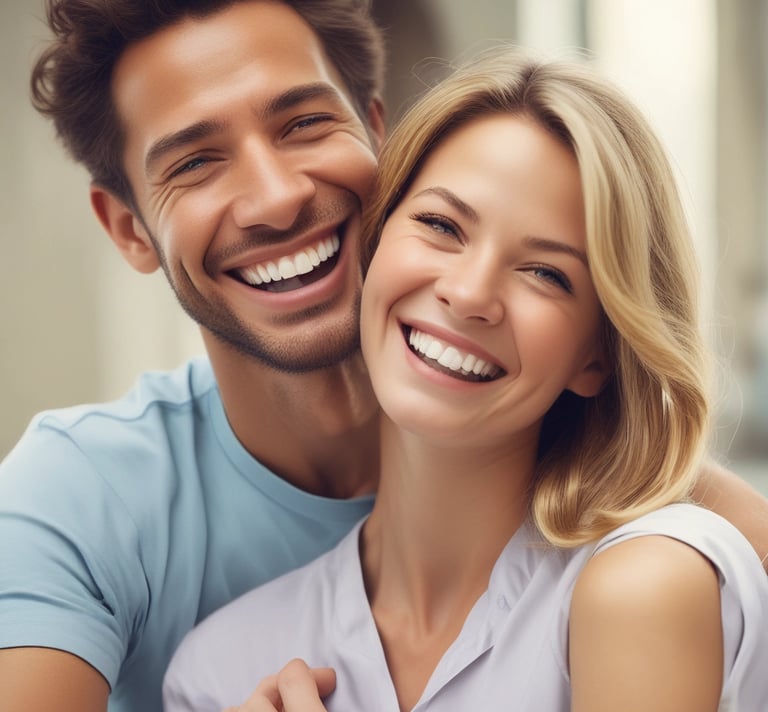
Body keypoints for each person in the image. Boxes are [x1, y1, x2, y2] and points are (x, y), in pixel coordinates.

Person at [0, 2, 765, 711]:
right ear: (130, 229)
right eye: (196, 162)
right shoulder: (90, 514)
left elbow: (655, 476)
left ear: (376, 135)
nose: (275, 198)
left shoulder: (642, 567)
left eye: (302, 123)